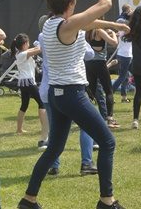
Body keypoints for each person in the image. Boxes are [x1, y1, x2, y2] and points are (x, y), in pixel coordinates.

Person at [18, 0, 126, 209]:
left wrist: (113, 26)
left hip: (57, 94)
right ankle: (107, 201)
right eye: (75, 0)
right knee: (108, 142)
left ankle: (28, 200)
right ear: (70, 2)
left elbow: (88, 20)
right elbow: (105, 2)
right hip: (71, 94)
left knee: (54, 148)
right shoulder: (66, 26)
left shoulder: (50, 24)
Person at [37, 14, 98, 177]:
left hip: (48, 90)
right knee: (87, 126)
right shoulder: (72, 33)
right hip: (70, 87)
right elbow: (90, 54)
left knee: (55, 132)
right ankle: (86, 162)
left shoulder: (42, 37)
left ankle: (54, 165)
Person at [11, 34, 49, 146]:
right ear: (24, 44)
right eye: (27, 43)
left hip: (23, 83)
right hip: (28, 83)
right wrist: (40, 43)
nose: (29, 44)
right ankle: (44, 129)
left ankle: (19, 129)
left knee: (24, 105)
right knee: (42, 104)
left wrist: (37, 45)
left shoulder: (20, 53)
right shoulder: (23, 54)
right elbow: (38, 50)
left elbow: (34, 49)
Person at [85, 26, 120, 128]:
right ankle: (109, 118)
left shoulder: (87, 32)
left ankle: (88, 117)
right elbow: (114, 43)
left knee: (91, 92)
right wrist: (113, 33)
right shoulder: (99, 31)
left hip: (89, 63)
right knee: (109, 91)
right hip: (100, 63)